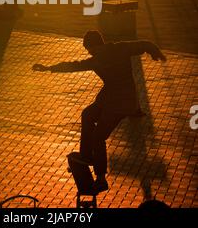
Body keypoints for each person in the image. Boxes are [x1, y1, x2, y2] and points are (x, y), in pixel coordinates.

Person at [33, 30, 166, 192]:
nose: (90, 53)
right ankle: (86, 154)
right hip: (108, 98)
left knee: (98, 137)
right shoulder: (118, 49)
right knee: (87, 114)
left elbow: (144, 44)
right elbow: (145, 44)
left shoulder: (117, 50)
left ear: (97, 45)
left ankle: (101, 178)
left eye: (90, 49)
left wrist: (155, 51)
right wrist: (49, 68)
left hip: (121, 104)